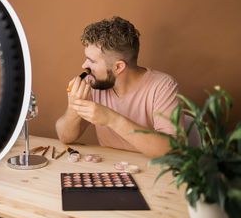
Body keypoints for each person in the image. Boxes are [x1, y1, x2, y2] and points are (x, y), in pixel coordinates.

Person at [55, 16, 183, 158]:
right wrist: (73, 107)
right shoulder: (96, 84)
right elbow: (65, 137)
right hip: (111, 170)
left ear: (118, 67)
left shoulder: (163, 86)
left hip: (153, 172)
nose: (84, 66)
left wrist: (112, 119)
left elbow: (173, 149)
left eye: (91, 61)